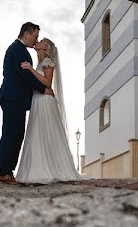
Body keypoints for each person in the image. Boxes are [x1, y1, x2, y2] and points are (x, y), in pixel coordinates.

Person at [15, 37, 87, 183]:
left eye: (41, 41)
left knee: (46, 131)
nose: (38, 42)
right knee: (37, 132)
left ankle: (50, 168)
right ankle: (37, 168)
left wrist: (30, 69)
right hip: (38, 100)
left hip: (45, 100)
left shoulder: (47, 62)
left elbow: (48, 82)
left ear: (45, 48)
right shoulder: (40, 63)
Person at [0, 22, 52, 184]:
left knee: (16, 134)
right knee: (11, 134)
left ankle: (8, 171)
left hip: (15, 98)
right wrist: (43, 89)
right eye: (35, 36)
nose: (36, 40)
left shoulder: (19, 50)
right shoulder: (18, 50)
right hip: (13, 98)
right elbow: (25, 76)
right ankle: (4, 173)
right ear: (26, 34)